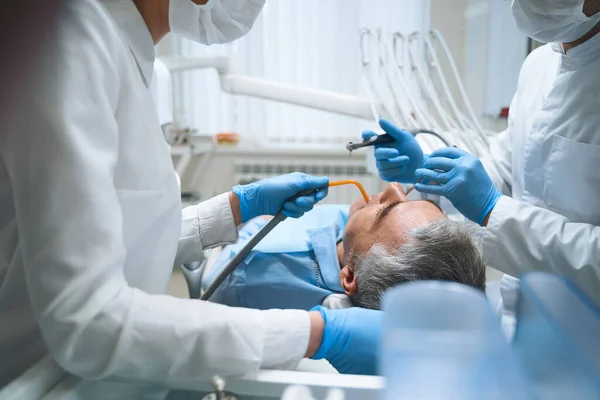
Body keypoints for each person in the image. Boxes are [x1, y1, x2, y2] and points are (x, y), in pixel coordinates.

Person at [0, 0, 381, 394]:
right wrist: (315, 333)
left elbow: (110, 229)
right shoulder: (72, 40)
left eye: (390, 207)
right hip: (38, 379)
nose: (389, 192)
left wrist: (237, 208)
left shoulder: (126, 48)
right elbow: (88, 320)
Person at [364, 0, 600, 318]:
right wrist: (429, 169)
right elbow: (508, 168)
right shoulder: (539, 65)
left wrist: (493, 209)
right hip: (522, 316)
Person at [204, 182, 486, 311]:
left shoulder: (253, 274)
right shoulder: (360, 238)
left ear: (349, 277)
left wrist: (245, 214)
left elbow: (217, 282)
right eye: (409, 199)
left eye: (383, 211)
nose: (393, 187)